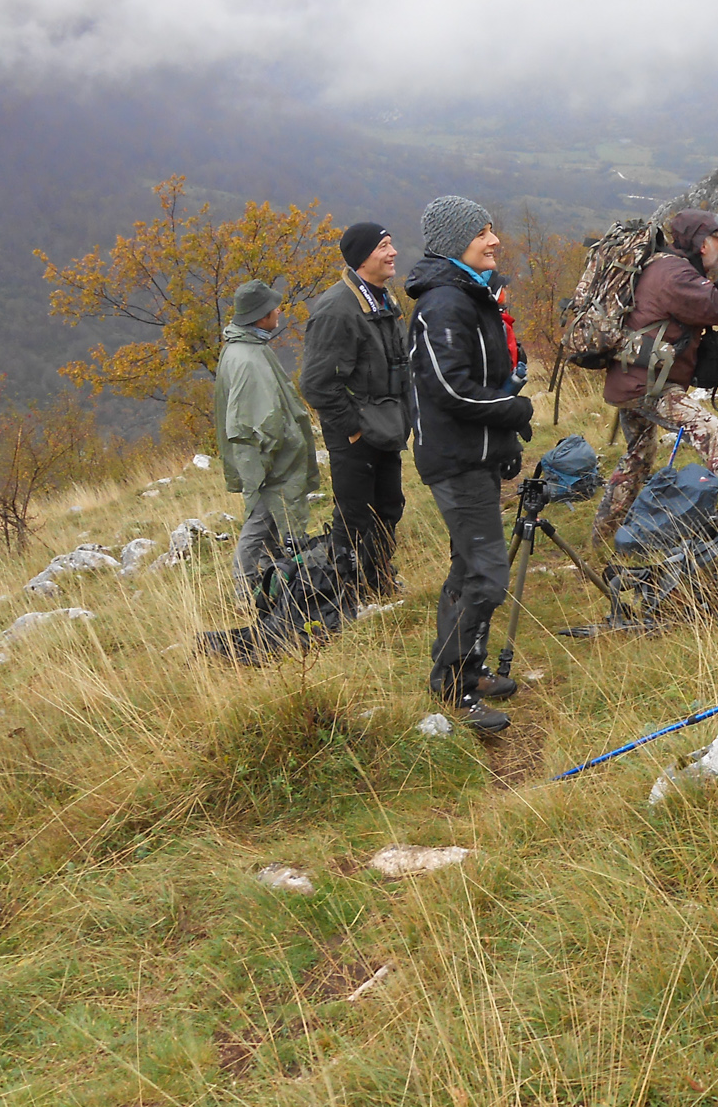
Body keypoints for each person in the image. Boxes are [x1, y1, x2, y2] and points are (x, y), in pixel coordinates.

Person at [404, 195, 533, 729]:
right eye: (482, 231)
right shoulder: (443, 305)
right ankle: (456, 686)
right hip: (454, 460)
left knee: (468, 567)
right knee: (487, 574)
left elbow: (483, 376)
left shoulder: (471, 295)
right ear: (457, 241)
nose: (494, 239)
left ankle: (462, 671)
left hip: (474, 454)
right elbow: (450, 389)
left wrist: (503, 446)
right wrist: (513, 409)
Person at [591, 208, 718, 547]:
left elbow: (705, 300)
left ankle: (602, 538)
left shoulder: (666, 266)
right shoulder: (674, 274)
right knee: (708, 429)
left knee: (639, 455)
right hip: (650, 384)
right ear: (703, 245)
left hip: (631, 377)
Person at [299, 221, 408, 601]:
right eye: (383, 246)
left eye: (390, 243)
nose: (392, 252)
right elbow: (316, 383)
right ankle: (351, 589)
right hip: (356, 433)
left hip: (387, 426)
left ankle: (379, 579)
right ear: (363, 258)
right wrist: (352, 427)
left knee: (388, 505)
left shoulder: (381, 298)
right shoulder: (337, 310)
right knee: (355, 514)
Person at [213, 279, 319, 591]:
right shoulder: (247, 359)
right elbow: (255, 422)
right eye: (274, 308)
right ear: (261, 316)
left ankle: (276, 582)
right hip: (270, 464)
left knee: (271, 523)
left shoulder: (247, 348)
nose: (279, 311)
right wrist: (268, 464)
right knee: (259, 523)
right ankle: (245, 590)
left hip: (269, 461)